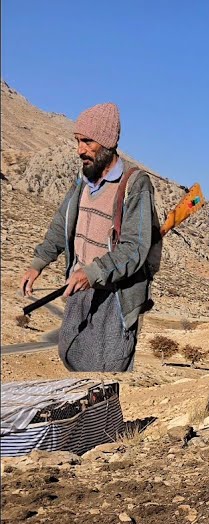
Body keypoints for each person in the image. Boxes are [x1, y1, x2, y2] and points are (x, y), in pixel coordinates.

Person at [21, 102, 162, 372]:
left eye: (87, 141)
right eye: (77, 141)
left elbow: (134, 249)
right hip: (80, 286)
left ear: (107, 143)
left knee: (104, 370)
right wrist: (38, 263)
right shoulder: (83, 180)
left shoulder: (135, 184)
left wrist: (93, 273)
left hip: (114, 296)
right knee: (71, 353)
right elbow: (62, 224)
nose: (80, 150)